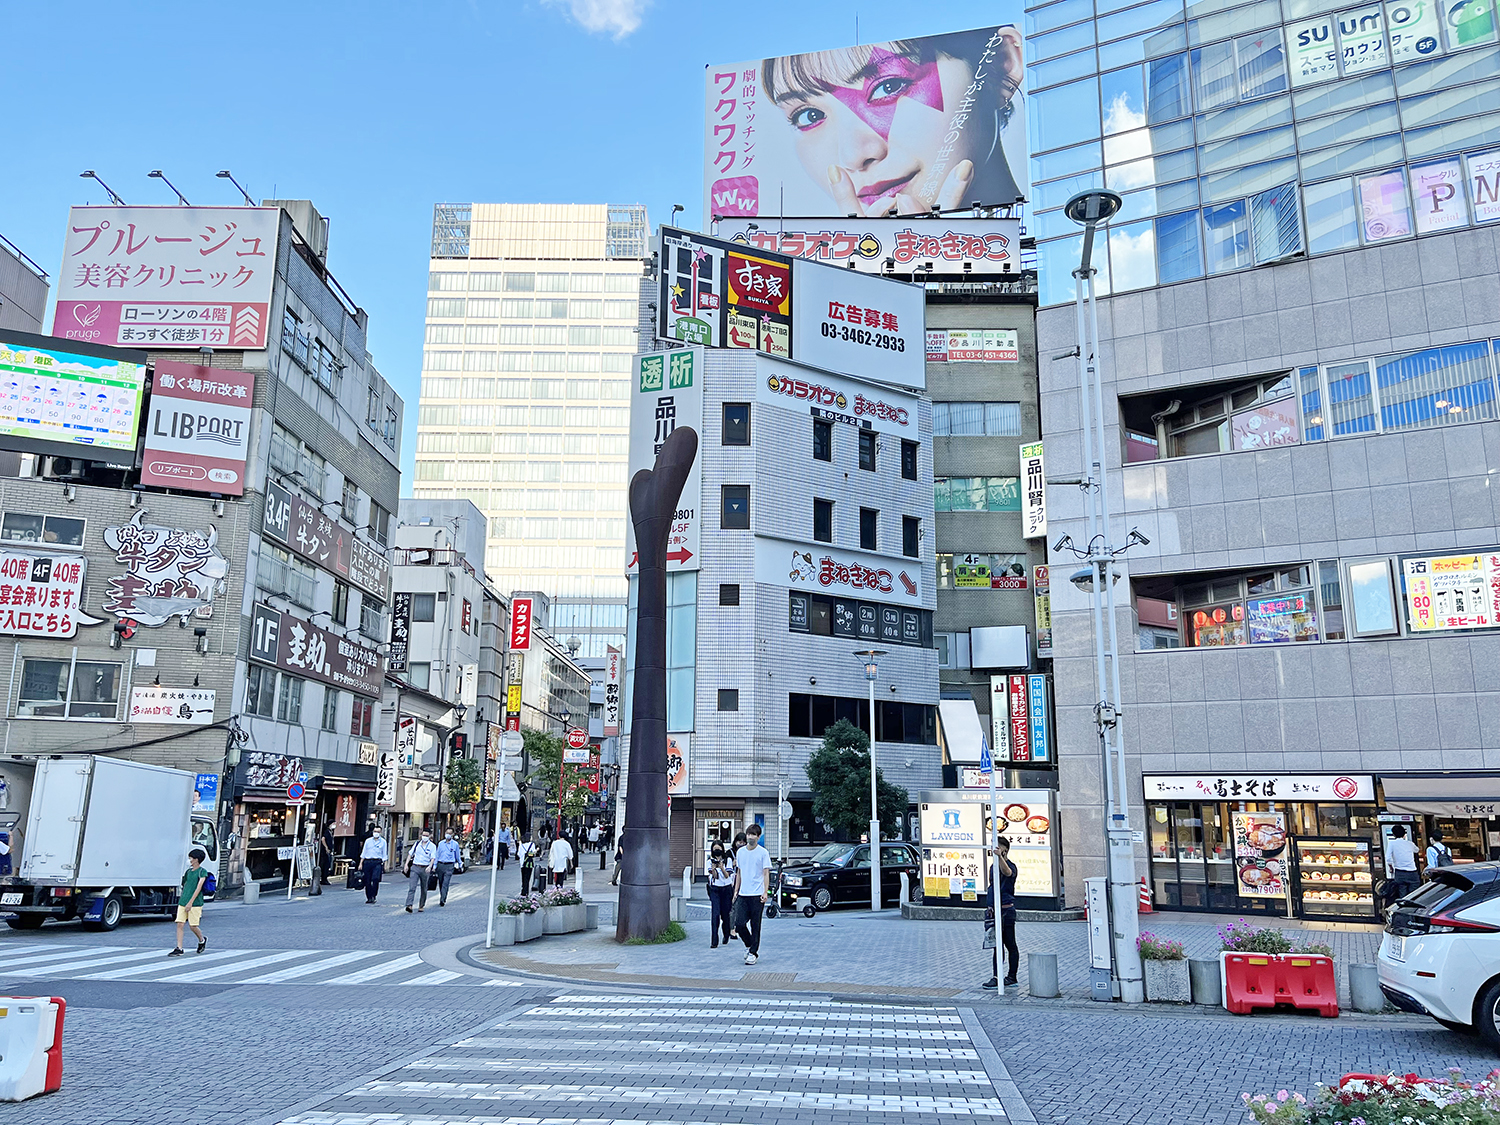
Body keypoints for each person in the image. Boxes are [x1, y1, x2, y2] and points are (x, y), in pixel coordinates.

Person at [758, 28, 1025, 219]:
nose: (853, 156)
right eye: (809, 116)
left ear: (1000, 64)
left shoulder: (1062, 248)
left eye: (889, 86)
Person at [982, 836, 1019, 989]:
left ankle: (1012, 976)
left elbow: (1008, 872)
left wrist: (1000, 857)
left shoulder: (1010, 865)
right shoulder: (993, 867)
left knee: (1010, 944)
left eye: (998, 847)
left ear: (1005, 849)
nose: (995, 849)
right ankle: (997, 976)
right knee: (997, 945)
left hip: (1006, 911)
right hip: (993, 912)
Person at [732, 823, 771, 965]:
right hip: (743, 893)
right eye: (749, 834)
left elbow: (766, 873)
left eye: (753, 835)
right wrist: (735, 890)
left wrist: (765, 892)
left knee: (756, 925)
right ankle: (749, 945)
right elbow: (739, 873)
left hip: (757, 894)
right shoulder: (740, 852)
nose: (750, 837)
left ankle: (753, 952)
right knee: (739, 924)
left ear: (758, 837)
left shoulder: (763, 853)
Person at [168, 847, 210, 956]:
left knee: (193, 926)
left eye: (191, 858)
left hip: (195, 903)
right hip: (183, 901)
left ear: (196, 859)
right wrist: (184, 900)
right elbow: (185, 884)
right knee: (180, 924)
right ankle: (179, 948)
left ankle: (202, 940)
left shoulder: (202, 872)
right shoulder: (188, 872)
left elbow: (198, 887)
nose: (189, 860)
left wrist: (190, 902)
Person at [706, 843, 736, 949]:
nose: (717, 851)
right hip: (715, 889)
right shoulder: (709, 861)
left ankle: (726, 934)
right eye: (714, 849)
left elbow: (727, 875)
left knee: (725, 915)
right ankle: (714, 940)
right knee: (715, 914)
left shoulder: (727, 860)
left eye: (718, 849)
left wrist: (722, 867)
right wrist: (714, 869)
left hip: (727, 889)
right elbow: (715, 877)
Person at [1386, 824, 1421, 907]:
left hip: (1399, 872)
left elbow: (1388, 858)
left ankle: (1404, 912)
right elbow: (1417, 850)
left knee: (1402, 894)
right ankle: (1413, 911)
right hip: (1412, 872)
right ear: (1404, 834)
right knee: (1414, 894)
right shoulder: (1410, 844)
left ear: (1393, 834)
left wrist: (1391, 867)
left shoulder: (1392, 844)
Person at [404, 829, 438, 913]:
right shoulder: (417, 844)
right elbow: (410, 854)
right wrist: (406, 864)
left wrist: (430, 866)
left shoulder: (432, 846)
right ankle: (409, 905)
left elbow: (433, 857)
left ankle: (421, 905)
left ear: (430, 836)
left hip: (425, 868)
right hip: (415, 867)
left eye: (426, 836)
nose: (424, 837)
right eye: (423, 835)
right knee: (412, 887)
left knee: (424, 887)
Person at [359, 826, 388, 904]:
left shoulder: (383, 842)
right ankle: (369, 897)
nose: (376, 833)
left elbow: (384, 854)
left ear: (380, 833)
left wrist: (385, 864)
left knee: (375, 879)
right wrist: (360, 863)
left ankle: (374, 895)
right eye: (375, 831)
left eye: (378, 832)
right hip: (368, 862)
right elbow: (364, 852)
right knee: (367, 881)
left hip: (377, 862)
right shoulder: (368, 841)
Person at [435, 828, 461, 906]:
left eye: (450, 833)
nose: (448, 835)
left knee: (445, 882)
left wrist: (460, 864)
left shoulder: (455, 844)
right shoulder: (440, 843)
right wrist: (434, 865)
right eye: (447, 833)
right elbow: (437, 854)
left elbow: (457, 855)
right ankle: (442, 895)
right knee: (441, 882)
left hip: (449, 865)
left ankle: (442, 899)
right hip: (440, 864)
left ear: (452, 835)